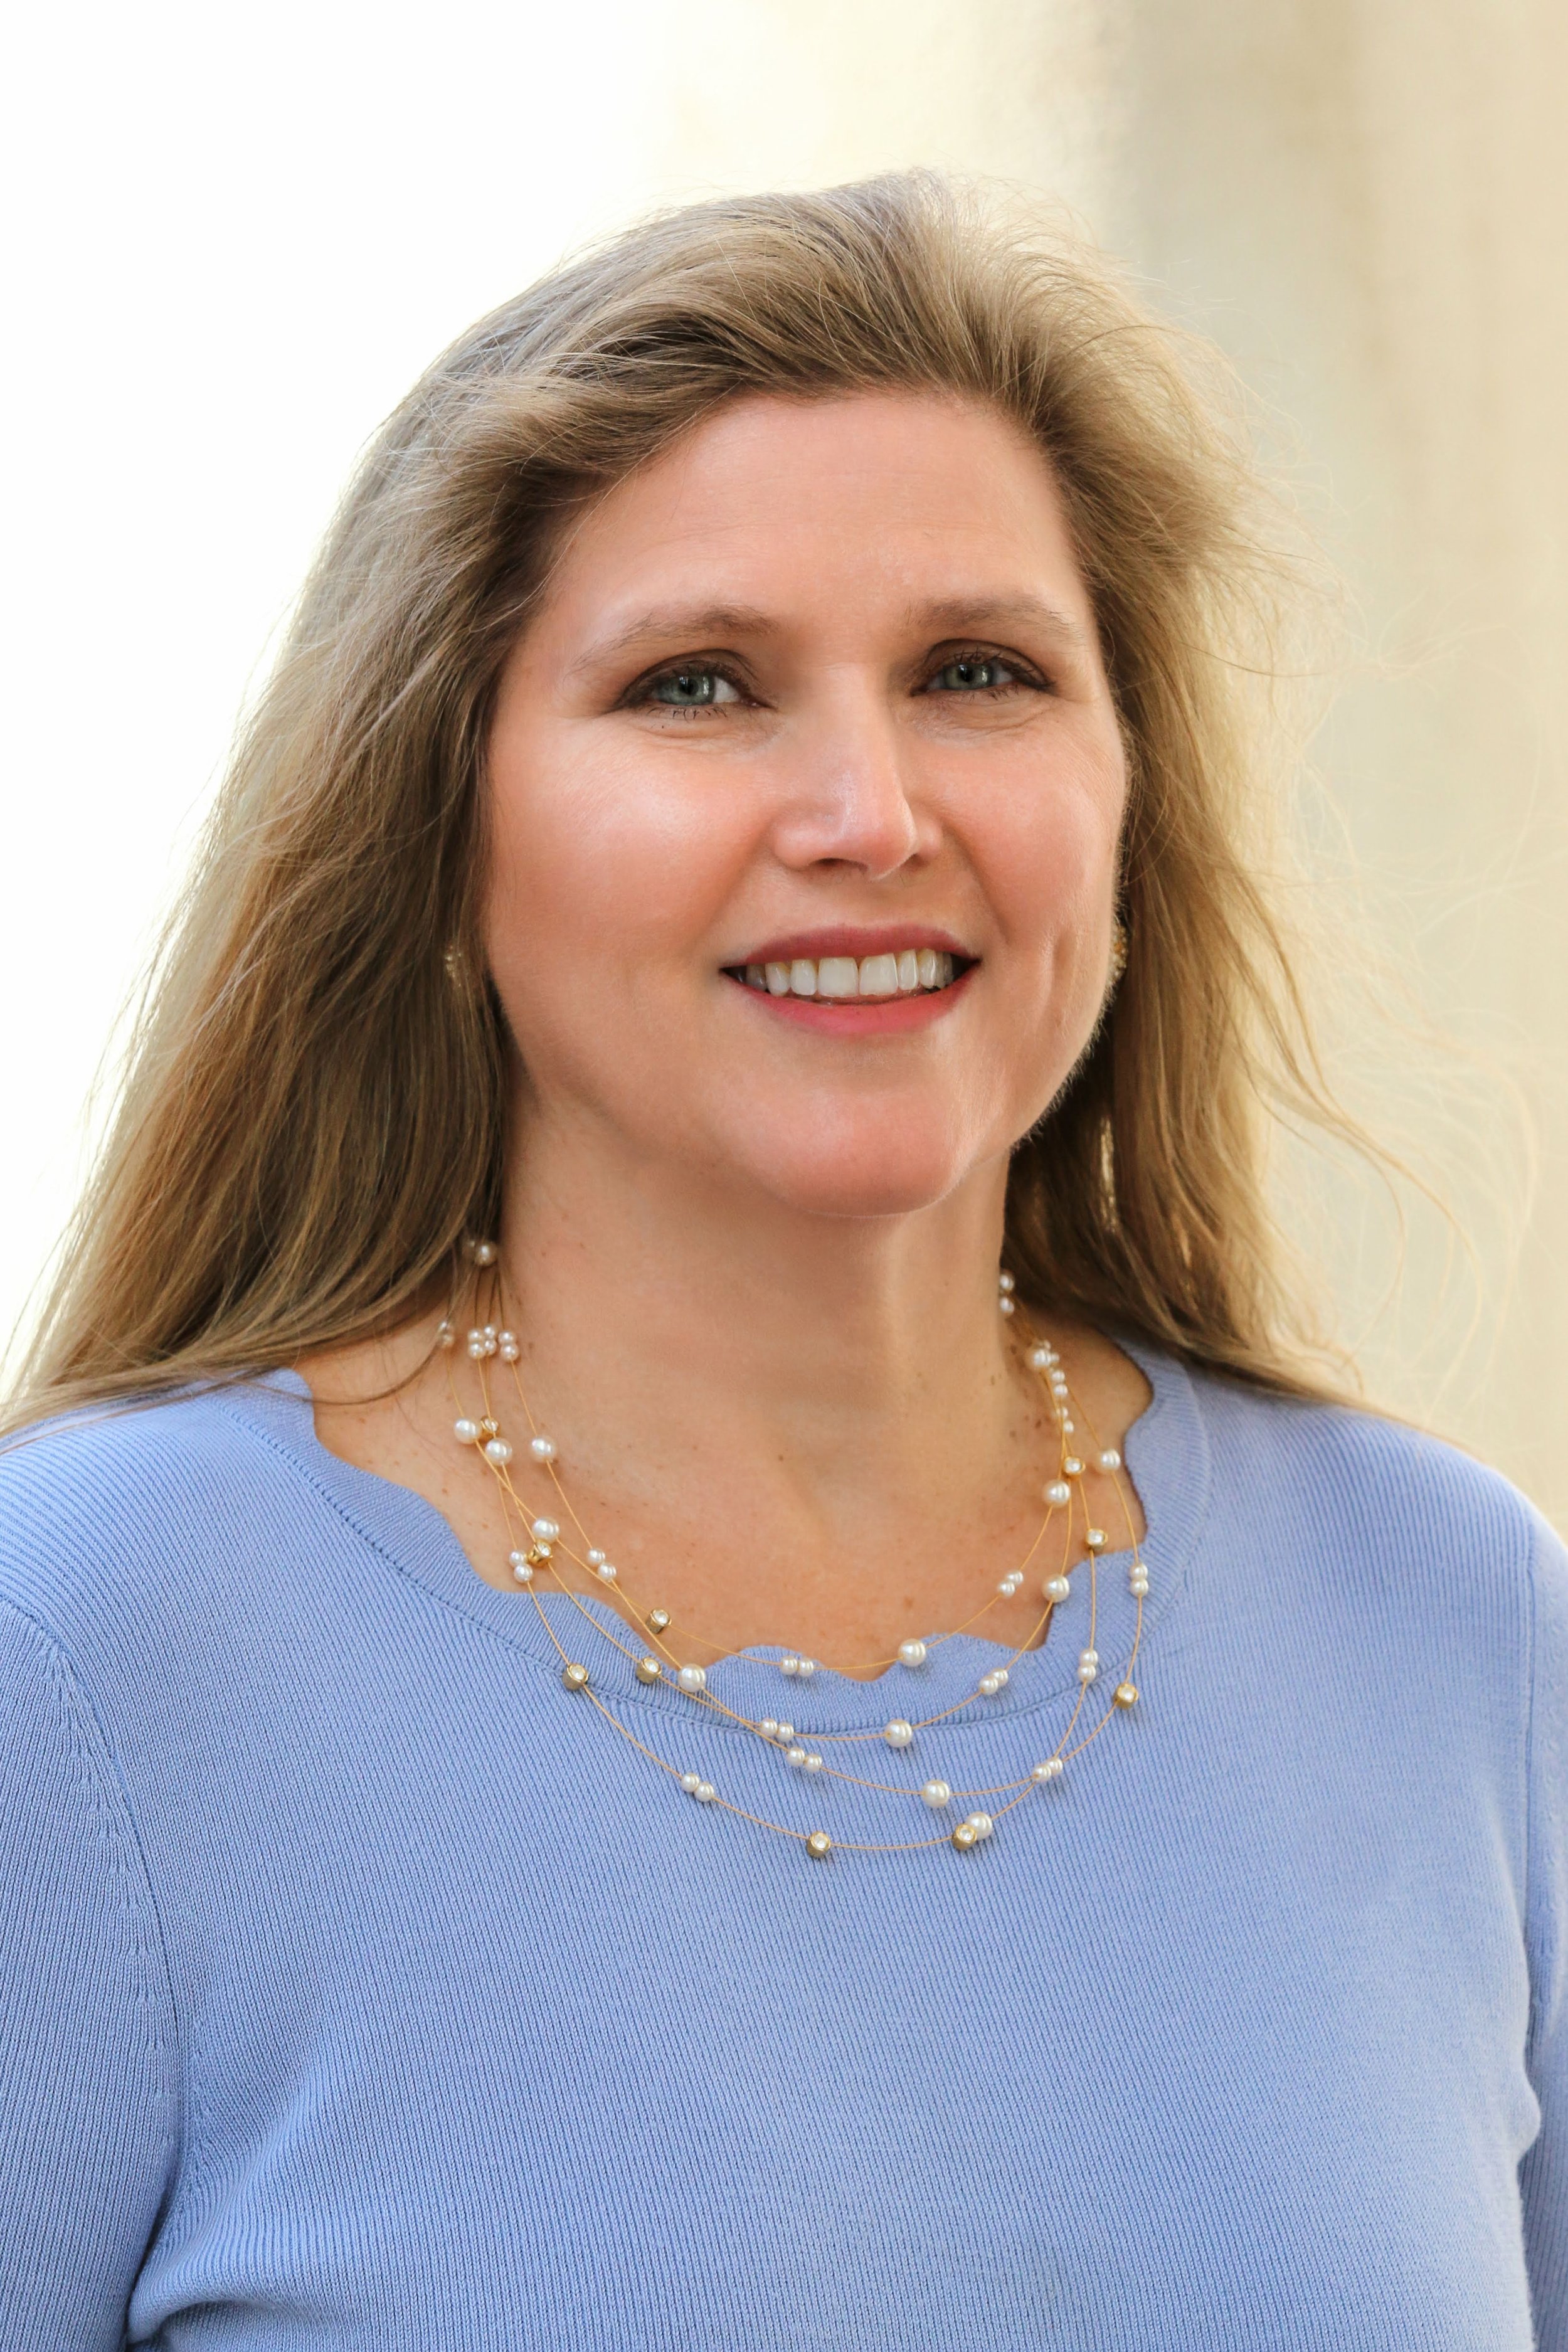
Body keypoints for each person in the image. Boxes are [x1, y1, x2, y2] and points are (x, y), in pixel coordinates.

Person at [1, 172, 1561, 2351]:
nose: (864, 806)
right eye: (701, 683)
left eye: (979, 674)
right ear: (440, 837)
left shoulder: (1456, 1624)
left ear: (1124, 807)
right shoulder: (77, 1647)